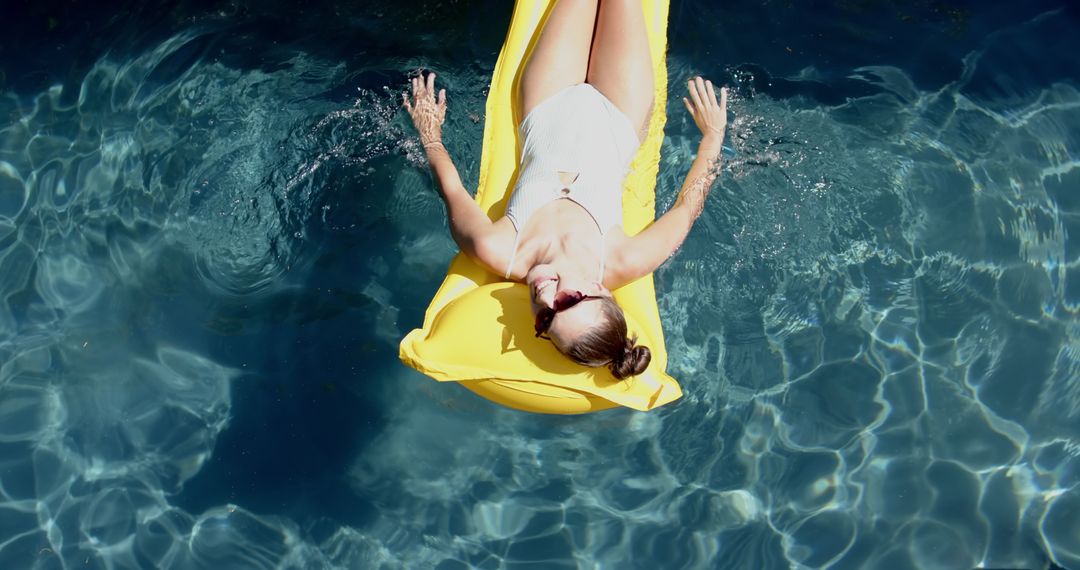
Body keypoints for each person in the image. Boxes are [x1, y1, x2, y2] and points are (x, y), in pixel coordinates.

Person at [403, 0, 728, 380]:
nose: (543, 297)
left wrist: (429, 133)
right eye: (567, 301)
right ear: (599, 290)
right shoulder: (624, 259)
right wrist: (713, 136)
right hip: (620, 111)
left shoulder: (499, 250)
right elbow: (686, 210)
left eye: (544, 321)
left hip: (547, 101)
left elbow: (452, 189)